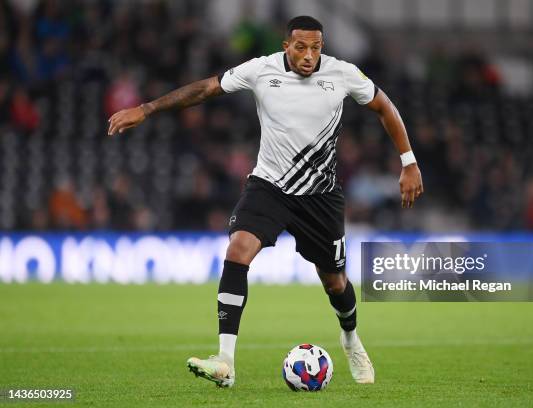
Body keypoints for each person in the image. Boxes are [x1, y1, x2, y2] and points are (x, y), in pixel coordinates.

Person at [107, 16, 424, 388]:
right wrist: (146, 109)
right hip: (269, 186)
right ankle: (225, 361)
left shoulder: (343, 74)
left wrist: (409, 161)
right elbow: (206, 88)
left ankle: (351, 338)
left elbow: (385, 107)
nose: (309, 56)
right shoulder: (261, 69)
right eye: (301, 47)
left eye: (316, 48)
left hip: (320, 196)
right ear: (286, 45)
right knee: (238, 250)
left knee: (335, 282)